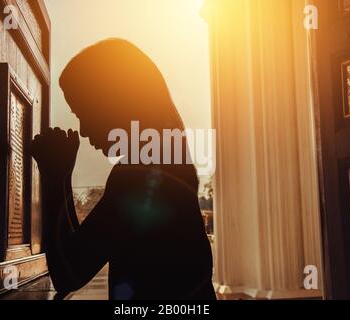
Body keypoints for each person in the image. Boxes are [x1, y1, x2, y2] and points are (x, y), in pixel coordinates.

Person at [30, 38, 216, 300]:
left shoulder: (139, 175)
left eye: (83, 112)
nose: (83, 130)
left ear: (112, 102)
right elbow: (78, 250)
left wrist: (53, 175)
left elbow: (68, 273)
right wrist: (61, 176)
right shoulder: (164, 159)